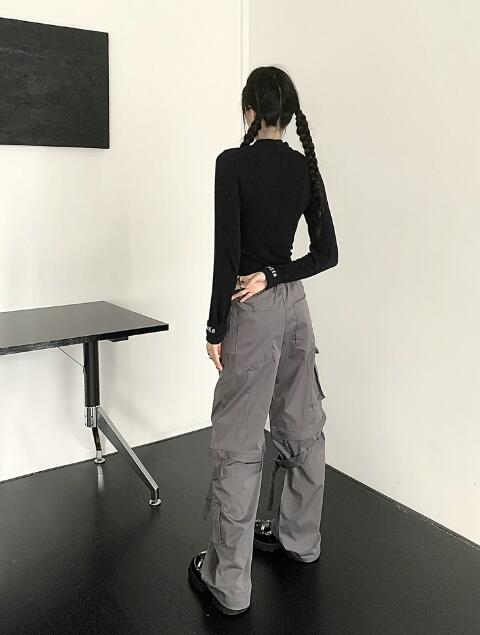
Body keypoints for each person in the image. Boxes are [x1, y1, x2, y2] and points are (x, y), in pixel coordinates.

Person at [187, 65, 339, 616]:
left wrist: (214, 328)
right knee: (303, 422)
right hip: (295, 307)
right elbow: (327, 254)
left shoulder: (233, 164)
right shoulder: (303, 167)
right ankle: (300, 539)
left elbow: (226, 253)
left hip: (250, 312)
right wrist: (277, 274)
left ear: (250, 111)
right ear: (288, 113)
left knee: (239, 442)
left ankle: (228, 582)